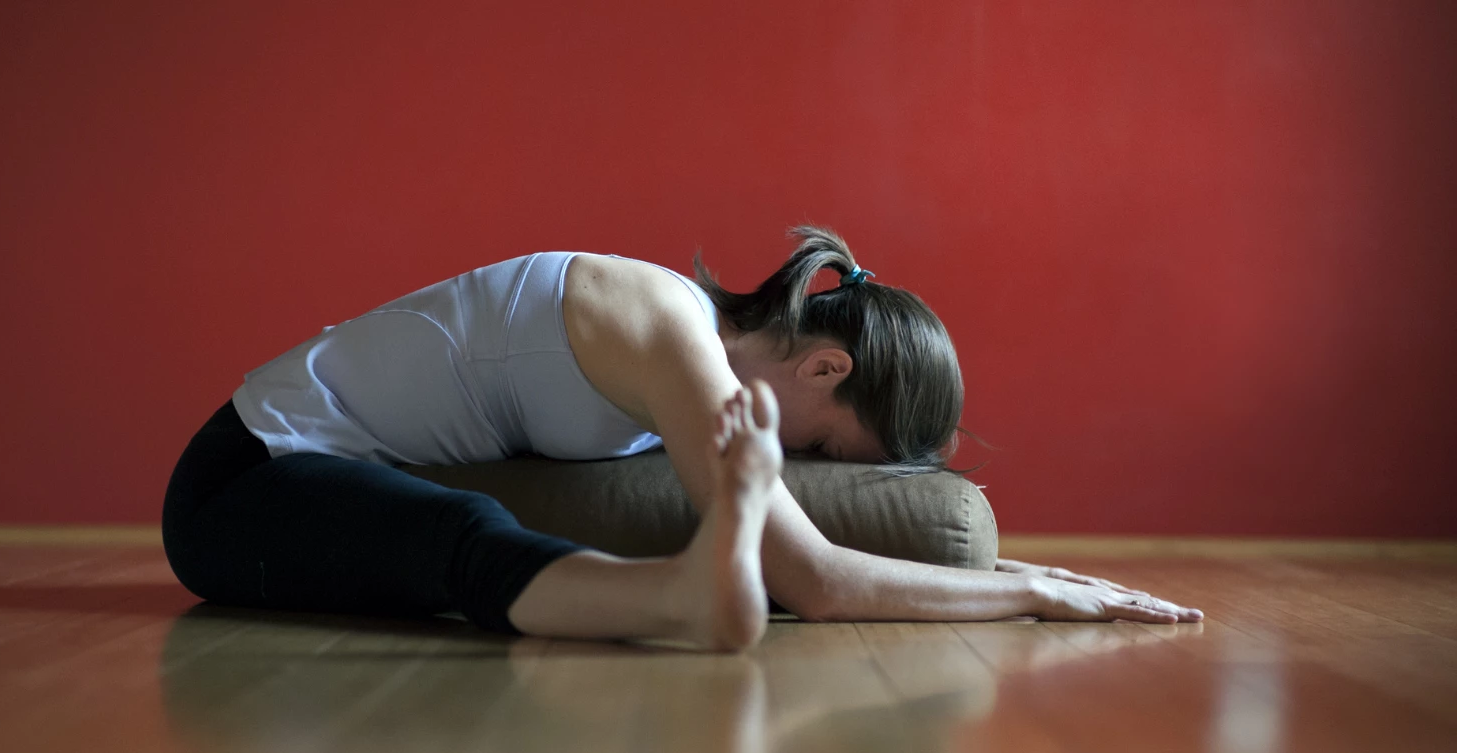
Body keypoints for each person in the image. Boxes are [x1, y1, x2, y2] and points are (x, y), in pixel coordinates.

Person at [161, 226, 1201, 651]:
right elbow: (820, 582)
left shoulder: (688, 363)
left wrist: (1007, 562)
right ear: (824, 369)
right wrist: (1025, 591)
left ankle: (686, 587)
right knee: (459, 536)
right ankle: (677, 601)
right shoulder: (669, 339)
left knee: (453, 529)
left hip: (349, 482)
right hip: (245, 483)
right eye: (828, 450)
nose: (805, 472)